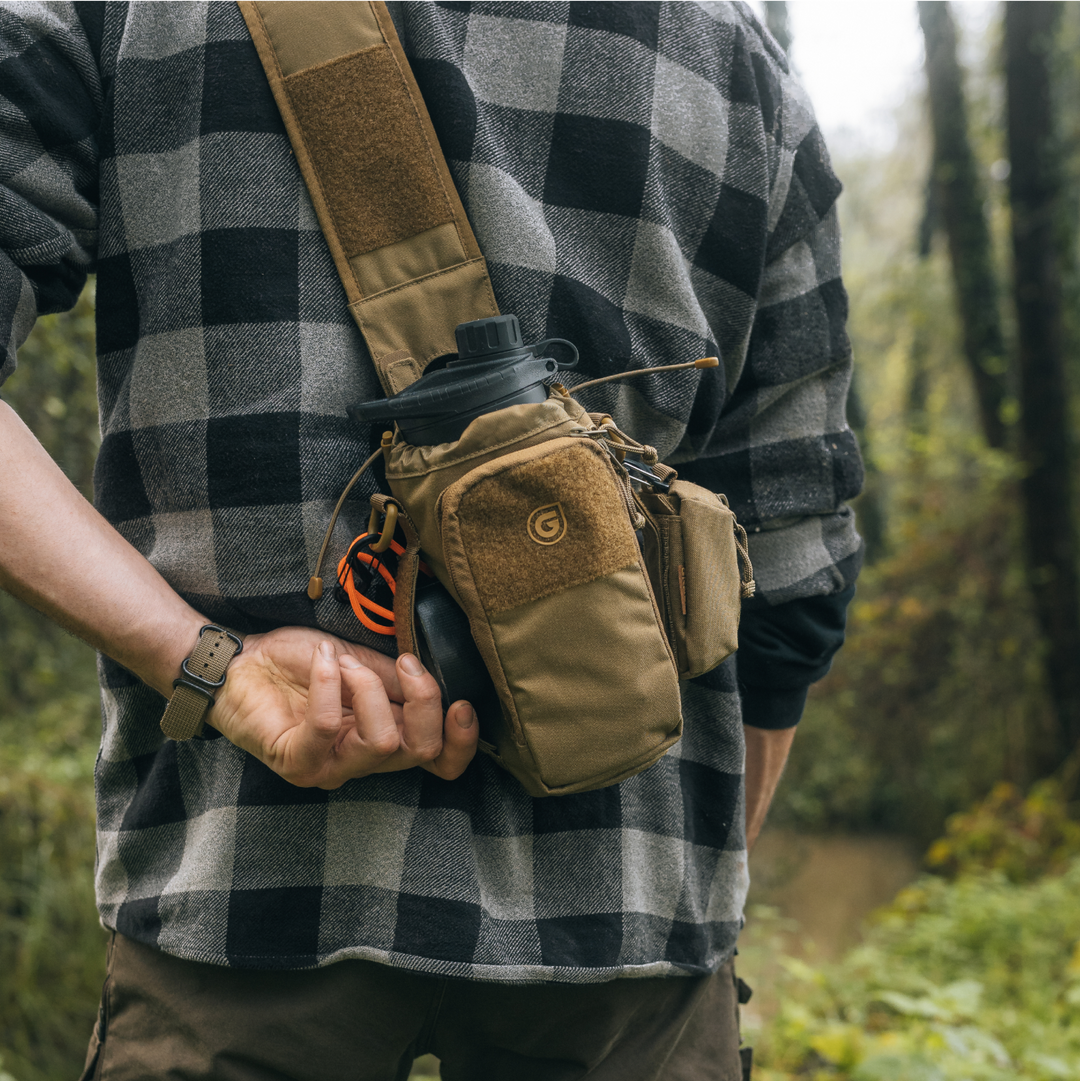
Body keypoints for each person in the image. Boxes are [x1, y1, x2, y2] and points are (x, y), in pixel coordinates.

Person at [0, 0, 862, 1076]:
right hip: (629, 956)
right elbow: (794, 573)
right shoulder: (736, 61)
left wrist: (210, 668)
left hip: (249, 904)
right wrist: (685, 893)